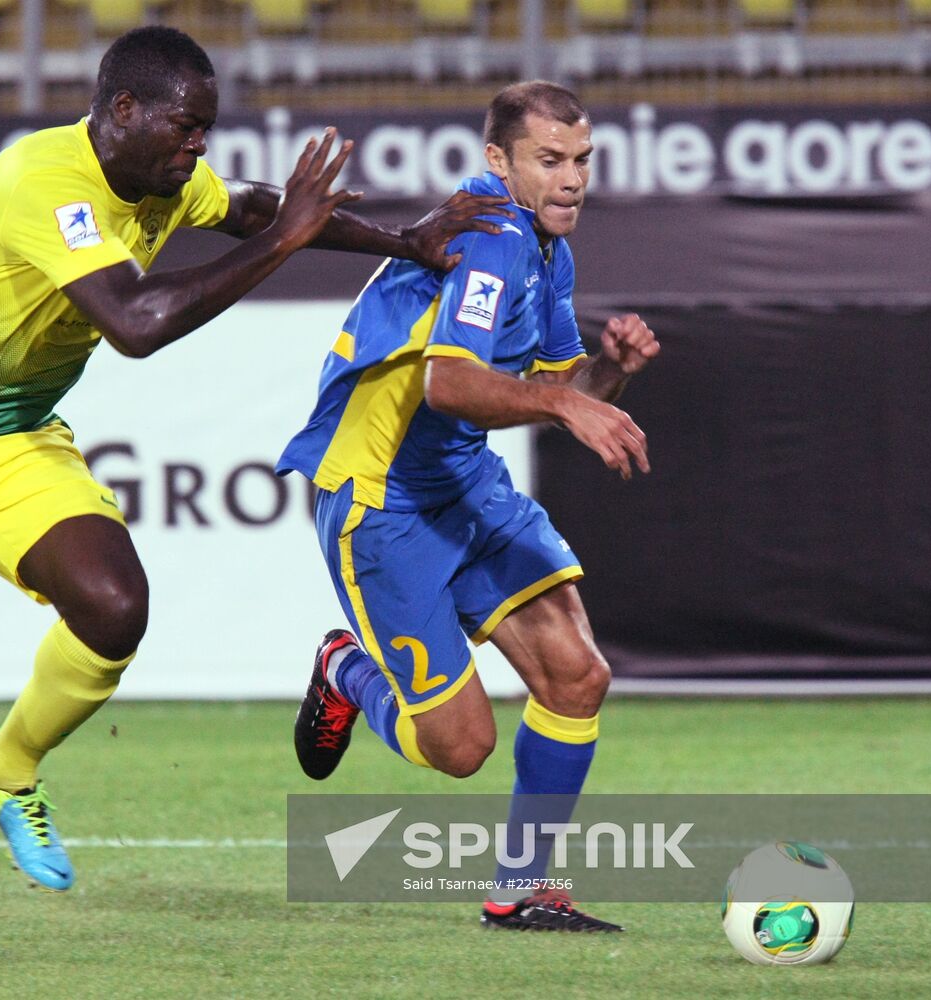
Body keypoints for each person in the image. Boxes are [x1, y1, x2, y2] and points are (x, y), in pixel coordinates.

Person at [0, 26, 510, 946]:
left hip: (11, 440)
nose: (199, 149)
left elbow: (255, 206)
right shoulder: (45, 183)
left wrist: (404, 239)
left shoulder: (164, 179)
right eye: (186, 128)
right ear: (123, 111)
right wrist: (284, 243)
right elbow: (136, 324)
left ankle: (4, 770)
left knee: (114, 607)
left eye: (206, 131)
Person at [279, 80, 660, 932]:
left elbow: (552, 392)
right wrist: (567, 404)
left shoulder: (547, 247)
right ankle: (346, 667)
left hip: (464, 481)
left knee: (576, 675)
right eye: (549, 161)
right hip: (381, 500)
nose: (571, 180)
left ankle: (522, 889)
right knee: (458, 749)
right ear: (498, 161)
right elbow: (447, 384)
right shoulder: (490, 235)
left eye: (582, 162)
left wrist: (609, 376)